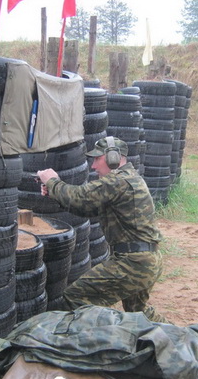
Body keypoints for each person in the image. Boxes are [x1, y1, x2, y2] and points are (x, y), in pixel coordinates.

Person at [36, 136, 169, 323]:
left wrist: (52, 181)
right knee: (139, 315)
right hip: (145, 260)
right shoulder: (126, 179)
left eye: (97, 159)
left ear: (113, 157)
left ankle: (86, 347)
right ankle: (184, 340)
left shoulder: (117, 181)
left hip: (133, 263)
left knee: (75, 299)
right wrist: (55, 192)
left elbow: (79, 197)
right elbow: (86, 207)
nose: (93, 166)